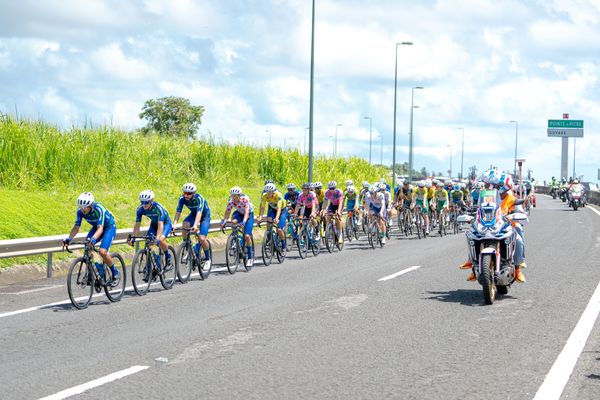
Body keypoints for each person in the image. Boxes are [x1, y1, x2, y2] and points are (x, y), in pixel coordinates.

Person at [63, 192, 119, 286]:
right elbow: (76, 227)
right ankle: (94, 272)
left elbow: (100, 228)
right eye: (81, 207)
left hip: (108, 227)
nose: (83, 209)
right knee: (87, 247)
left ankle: (115, 273)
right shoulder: (80, 211)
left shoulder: (99, 209)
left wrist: (93, 239)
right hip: (96, 228)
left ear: (91, 205)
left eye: (85, 207)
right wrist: (69, 239)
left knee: (102, 252)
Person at [128, 190, 174, 272]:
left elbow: (160, 225)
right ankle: (153, 264)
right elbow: (137, 225)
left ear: (151, 201)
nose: (144, 205)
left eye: (146, 202)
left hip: (165, 223)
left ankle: (168, 257)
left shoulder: (158, 208)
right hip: (154, 224)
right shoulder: (140, 209)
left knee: (160, 240)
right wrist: (133, 238)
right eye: (142, 202)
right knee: (148, 243)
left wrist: (157, 238)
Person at [173, 182, 211, 269]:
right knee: (185, 225)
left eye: (189, 193)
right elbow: (178, 212)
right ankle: (188, 245)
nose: (186, 195)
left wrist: (195, 225)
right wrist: (174, 224)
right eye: (184, 193)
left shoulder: (199, 198)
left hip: (204, 216)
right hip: (193, 215)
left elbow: (199, 212)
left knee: (202, 238)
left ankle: (208, 259)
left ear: (194, 193)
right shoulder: (182, 199)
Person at [221, 186, 255, 268]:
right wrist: (224, 221)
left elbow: (247, 212)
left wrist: (244, 221)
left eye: (235, 196)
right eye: (232, 196)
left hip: (249, 215)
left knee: (247, 235)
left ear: (239, 196)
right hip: (239, 213)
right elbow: (228, 212)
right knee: (233, 222)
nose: (234, 198)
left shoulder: (245, 199)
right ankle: (235, 237)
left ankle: (250, 257)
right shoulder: (231, 201)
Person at [258, 182, 288, 251]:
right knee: (269, 222)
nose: (268, 193)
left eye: (270, 192)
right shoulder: (264, 196)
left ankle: (283, 244)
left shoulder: (278, 195)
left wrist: (277, 218)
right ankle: (270, 237)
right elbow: (262, 207)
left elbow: (279, 207)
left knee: (279, 229)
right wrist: (260, 217)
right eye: (267, 192)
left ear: (273, 192)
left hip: (282, 210)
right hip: (273, 209)